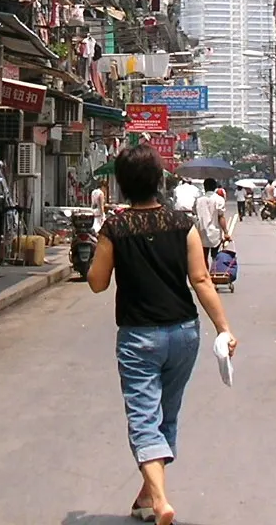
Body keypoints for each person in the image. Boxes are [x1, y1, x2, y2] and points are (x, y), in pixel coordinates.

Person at [88, 144, 237, 525]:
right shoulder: (181, 224)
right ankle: (144, 498)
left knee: (142, 418)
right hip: (185, 334)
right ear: (159, 182)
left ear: (121, 185)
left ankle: (159, 500)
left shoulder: (116, 228)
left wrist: (103, 250)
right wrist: (224, 328)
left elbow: (97, 283)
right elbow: (201, 280)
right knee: (165, 415)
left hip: (139, 338)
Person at [191, 178, 225, 267]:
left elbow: (194, 212)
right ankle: (214, 273)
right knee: (215, 256)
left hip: (201, 231)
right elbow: (221, 217)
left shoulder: (198, 200)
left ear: (205, 187)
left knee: (203, 257)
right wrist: (226, 232)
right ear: (215, 188)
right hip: (215, 233)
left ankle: (206, 274)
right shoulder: (219, 199)